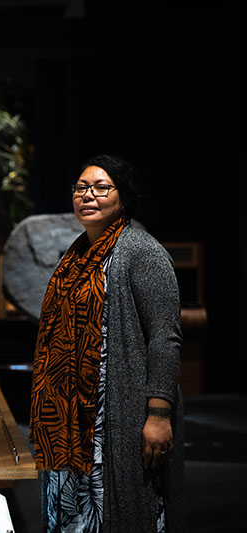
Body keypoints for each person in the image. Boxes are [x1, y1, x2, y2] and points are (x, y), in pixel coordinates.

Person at [29, 154, 184, 532]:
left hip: (118, 414)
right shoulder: (78, 254)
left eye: (101, 187)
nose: (89, 195)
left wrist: (159, 414)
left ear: (123, 197)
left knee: (125, 511)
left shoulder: (142, 252)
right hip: (70, 417)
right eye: (81, 188)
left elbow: (165, 337)